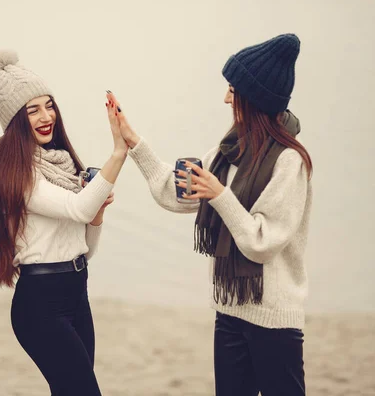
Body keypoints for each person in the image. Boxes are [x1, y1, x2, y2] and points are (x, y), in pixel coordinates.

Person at [108, 34, 312, 396]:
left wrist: (220, 195)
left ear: (255, 97)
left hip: (274, 322)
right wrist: (134, 142)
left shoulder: (289, 162)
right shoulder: (230, 149)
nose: (225, 98)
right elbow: (177, 195)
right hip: (230, 311)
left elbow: (260, 242)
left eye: (232, 89)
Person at [0, 50, 127, 396]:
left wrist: (99, 214)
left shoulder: (60, 165)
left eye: (49, 105)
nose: (46, 116)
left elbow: (85, 248)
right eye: (33, 110)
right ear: (15, 119)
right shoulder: (17, 173)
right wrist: (119, 151)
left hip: (77, 290)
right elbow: (78, 208)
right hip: (40, 304)